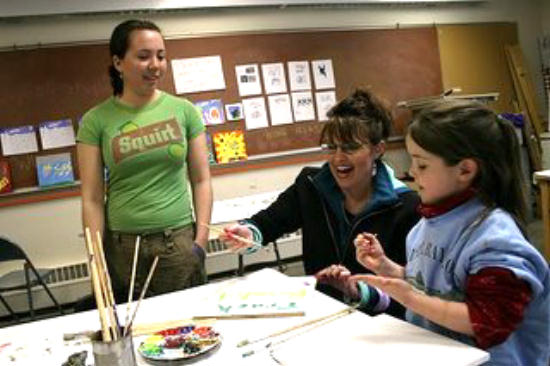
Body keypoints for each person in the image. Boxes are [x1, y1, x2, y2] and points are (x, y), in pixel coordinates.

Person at [352, 100, 550, 365]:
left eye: (422, 165)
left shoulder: (495, 241)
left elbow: (488, 322)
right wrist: (389, 269)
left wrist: (410, 298)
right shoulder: (426, 225)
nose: (411, 172)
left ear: (465, 170)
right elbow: (432, 284)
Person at [218, 88, 420, 318]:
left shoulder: (405, 206)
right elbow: (269, 222)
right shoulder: (311, 184)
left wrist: (358, 291)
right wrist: (247, 233)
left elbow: (410, 291)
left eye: (350, 148)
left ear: (378, 149)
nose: (338, 158)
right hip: (320, 311)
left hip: (380, 324)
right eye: (331, 147)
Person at [77, 19, 212, 299]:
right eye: (143, 56)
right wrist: (96, 259)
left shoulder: (185, 111)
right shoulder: (96, 120)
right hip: (124, 248)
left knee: (188, 327)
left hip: (178, 242)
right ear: (118, 63)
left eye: (161, 56)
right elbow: (91, 197)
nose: (155, 65)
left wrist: (200, 241)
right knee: (135, 331)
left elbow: (201, 180)